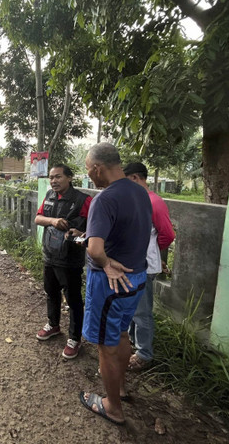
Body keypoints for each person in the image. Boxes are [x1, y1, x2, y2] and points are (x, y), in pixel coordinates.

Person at [78, 142, 152, 426]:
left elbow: (95, 250)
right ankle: (119, 388)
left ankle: (112, 407)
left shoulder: (104, 199)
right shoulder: (140, 192)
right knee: (121, 334)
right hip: (137, 278)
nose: (89, 175)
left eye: (88, 170)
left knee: (105, 346)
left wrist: (106, 264)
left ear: (97, 168)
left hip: (112, 284)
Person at [34, 164, 92, 359]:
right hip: (49, 254)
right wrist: (52, 221)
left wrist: (81, 234)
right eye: (51, 178)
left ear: (69, 177)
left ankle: (75, 338)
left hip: (71, 258)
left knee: (74, 298)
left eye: (58, 177)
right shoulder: (50, 195)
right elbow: (38, 218)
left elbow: (95, 228)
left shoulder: (84, 200)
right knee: (51, 292)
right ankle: (53, 325)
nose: (54, 181)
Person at [123, 162, 175, 371]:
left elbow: (168, 234)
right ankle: (134, 344)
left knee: (141, 312)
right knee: (132, 309)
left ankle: (144, 353)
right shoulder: (136, 200)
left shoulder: (154, 202)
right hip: (134, 264)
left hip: (144, 266)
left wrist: (154, 254)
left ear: (135, 178)